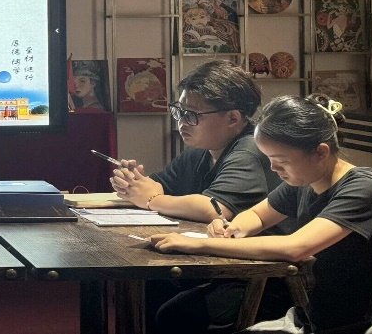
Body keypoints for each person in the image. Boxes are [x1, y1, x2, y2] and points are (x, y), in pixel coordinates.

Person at [150, 94, 372, 334]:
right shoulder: (304, 182)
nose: (274, 168)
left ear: (320, 152)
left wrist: (199, 244)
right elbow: (258, 215)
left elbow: (295, 248)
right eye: (269, 159)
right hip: (322, 315)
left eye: (281, 161)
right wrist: (232, 228)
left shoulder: (363, 188)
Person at [109, 60, 291, 332]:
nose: (182, 122)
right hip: (222, 264)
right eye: (179, 111)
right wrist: (133, 183)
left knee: (173, 313)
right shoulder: (200, 150)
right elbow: (159, 184)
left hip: (264, 277)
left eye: (192, 114)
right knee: (149, 285)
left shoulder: (250, 150)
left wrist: (149, 200)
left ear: (233, 118)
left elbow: (215, 208)